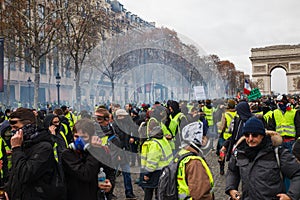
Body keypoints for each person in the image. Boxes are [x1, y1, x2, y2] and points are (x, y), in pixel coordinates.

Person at [225, 117, 300, 200]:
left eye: (254, 135)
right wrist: (231, 188)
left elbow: (297, 173)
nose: (250, 139)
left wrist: (291, 196)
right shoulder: (239, 152)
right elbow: (232, 171)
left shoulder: (277, 153)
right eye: (247, 135)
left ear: (262, 136)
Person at [5, 107, 61, 199]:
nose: (12, 131)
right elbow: (15, 174)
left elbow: (25, 174)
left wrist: (16, 148)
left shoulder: (44, 148)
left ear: (28, 126)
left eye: (15, 127)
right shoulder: (24, 145)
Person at [61, 118, 112, 200]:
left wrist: (109, 184)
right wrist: (94, 151)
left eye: (83, 137)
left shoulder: (99, 151)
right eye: (76, 136)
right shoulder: (67, 154)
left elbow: (108, 170)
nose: (78, 141)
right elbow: (85, 174)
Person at [174, 121, 214, 200]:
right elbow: (201, 195)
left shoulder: (181, 153)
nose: (207, 140)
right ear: (199, 138)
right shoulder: (195, 163)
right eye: (205, 136)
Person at [140, 126, 173, 200]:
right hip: (165, 169)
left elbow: (152, 161)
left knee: (148, 192)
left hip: (155, 171)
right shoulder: (163, 140)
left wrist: (147, 173)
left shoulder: (154, 144)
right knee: (159, 192)